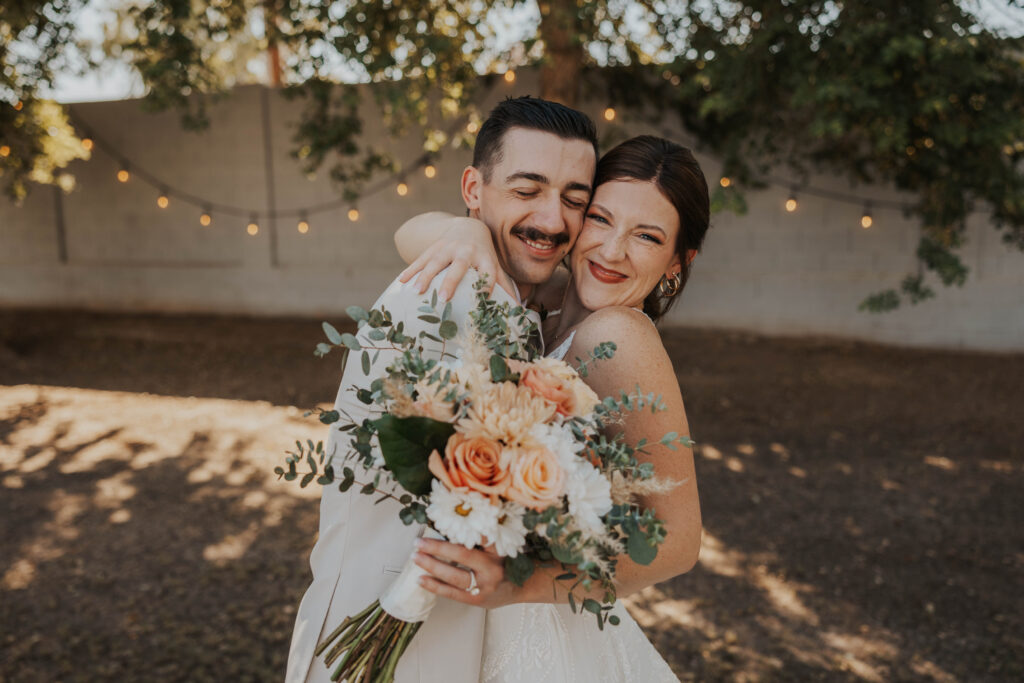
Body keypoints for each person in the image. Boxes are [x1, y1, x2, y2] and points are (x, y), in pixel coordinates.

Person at [285, 96, 599, 683]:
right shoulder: (443, 295)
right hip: (391, 632)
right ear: (473, 190)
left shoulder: (516, 299)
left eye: (575, 200)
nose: (553, 220)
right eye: (527, 191)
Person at [393, 135, 708, 682]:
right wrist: (465, 229)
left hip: (540, 629)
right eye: (601, 219)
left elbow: (679, 543)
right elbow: (404, 235)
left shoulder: (619, 334)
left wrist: (521, 585)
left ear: (679, 261)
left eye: (647, 237)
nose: (611, 251)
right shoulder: (548, 298)